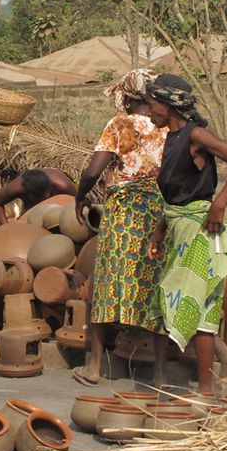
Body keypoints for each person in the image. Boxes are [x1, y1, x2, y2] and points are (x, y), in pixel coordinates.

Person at [144, 73, 227, 394]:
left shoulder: (196, 135)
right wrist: (159, 233)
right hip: (181, 228)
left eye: (152, 104)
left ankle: (207, 387)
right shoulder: (171, 139)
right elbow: (174, 197)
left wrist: (219, 204)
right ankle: (195, 375)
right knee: (172, 299)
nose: (150, 111)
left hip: (202, 229)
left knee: (196, 303)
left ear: (168, 105)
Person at [71, 68, 167, 386]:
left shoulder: (120, 125)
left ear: (126, 96)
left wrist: (80, 195)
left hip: (123, 214)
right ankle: (161, 374)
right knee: (153, 285)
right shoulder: (168, 126)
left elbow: (94, 168)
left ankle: (94, 366)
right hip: (158, 213)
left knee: (108, 282)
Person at [0, 168, 76, 225]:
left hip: (59, 210)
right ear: (28, 194)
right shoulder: (17, 188)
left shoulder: (64, 186)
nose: (42, 202)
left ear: (49, 189)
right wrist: (5, 227)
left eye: (44, 198)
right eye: (37, 199)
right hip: (31, 213)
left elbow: (76, 205)